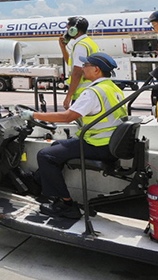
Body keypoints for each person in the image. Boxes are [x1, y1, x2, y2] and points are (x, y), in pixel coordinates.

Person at [20, 52, 128, 220]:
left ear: (96, 69)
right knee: (56, 147)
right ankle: (38, 182)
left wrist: (33, 116)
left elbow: (67, 117)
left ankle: (66, 204)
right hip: (110, 144)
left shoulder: (93, 92)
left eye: (86, 66)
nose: (83, 69)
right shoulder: (114, 88)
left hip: (98, 145)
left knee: (45, 155)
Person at [58, 16, 99, 110]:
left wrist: (68, 96)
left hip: (83, 93)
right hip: (91, 90)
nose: (66, 32)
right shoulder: (88, 42)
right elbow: (71, 64)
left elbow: (77, 72)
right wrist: (63, 48)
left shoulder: (80, 46)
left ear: (73, 30)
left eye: (68, 29)